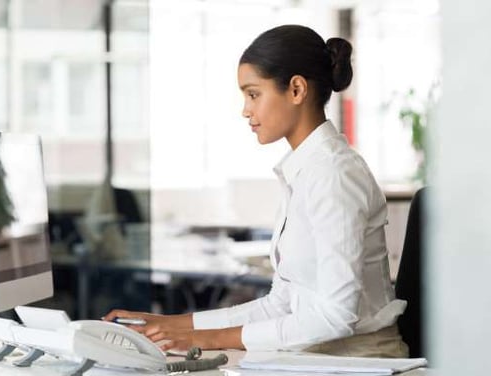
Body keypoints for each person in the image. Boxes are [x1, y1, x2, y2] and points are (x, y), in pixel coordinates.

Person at [104, 24, 409, 357]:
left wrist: (208, 339)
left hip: (359, 360)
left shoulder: (333, 174)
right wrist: (177, 325)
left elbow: (337, 315)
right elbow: (280, 304)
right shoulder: (305, 171)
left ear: (296, 89)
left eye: (253, 94)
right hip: (320, 356)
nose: (245, 110)